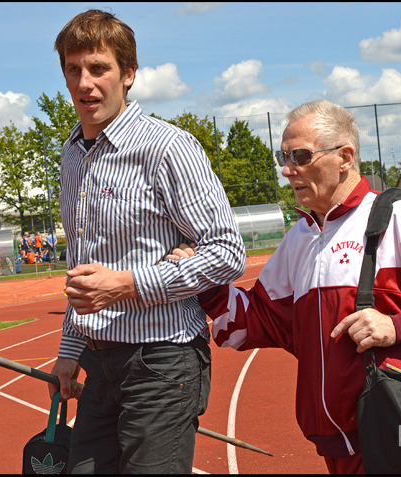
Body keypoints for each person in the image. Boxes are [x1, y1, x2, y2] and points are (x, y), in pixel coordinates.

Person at [168, 100, 401, 474]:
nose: (286, 169)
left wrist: (398, 325)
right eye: (283, 156)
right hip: (334, 438)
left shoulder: (400, 218)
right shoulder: (300, 237)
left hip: (395, 428)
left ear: (345, 156)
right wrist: (200, 279)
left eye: (300, 155)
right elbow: (260, 319)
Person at [50, 9, 246, 474]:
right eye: (73, 69)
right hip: (98, 367)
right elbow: (84, 267)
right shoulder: (72, 152)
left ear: (129, 74)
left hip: (161, 362)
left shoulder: (166, 147)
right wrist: (69, 352)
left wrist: (128, 284)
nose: (85, 83)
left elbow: (226, 253)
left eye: (99, 68)